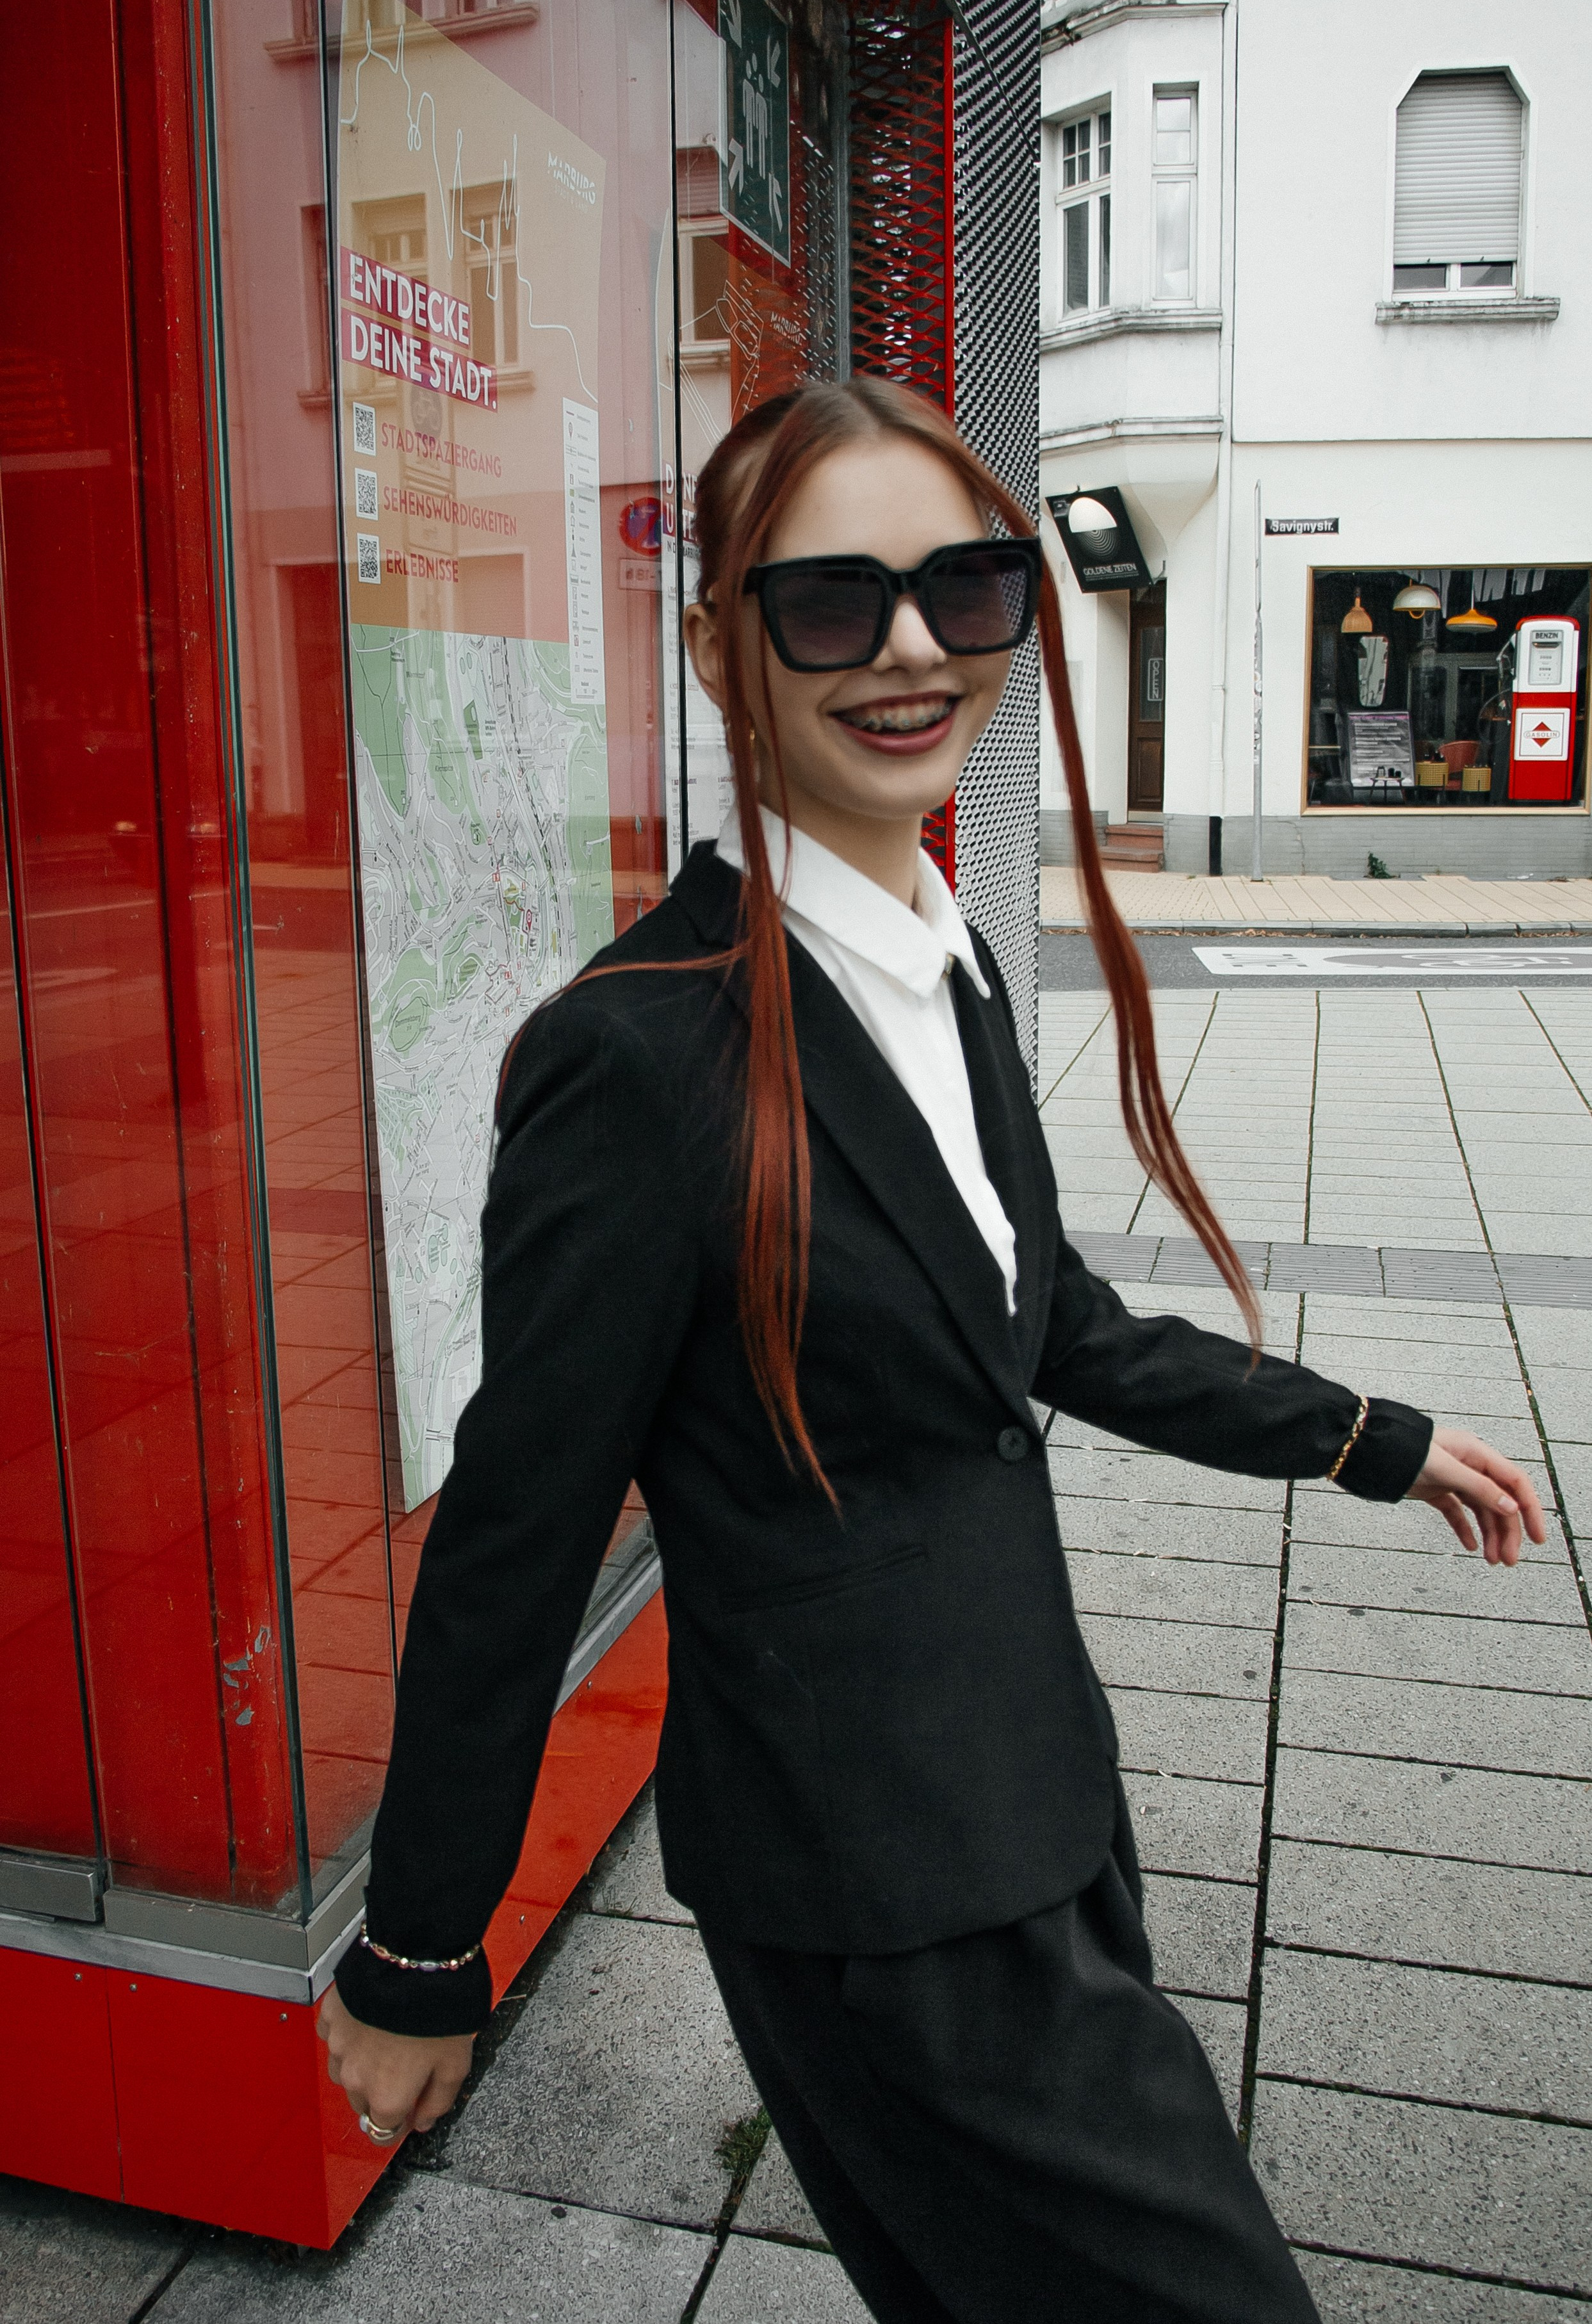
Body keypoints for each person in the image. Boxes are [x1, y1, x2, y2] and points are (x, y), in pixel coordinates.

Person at [319, 378, 1545, 2321]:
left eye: (964, 589)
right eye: (831, 601)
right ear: (720, 643)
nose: (909, 648)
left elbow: (1045, 1320)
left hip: (1039, 1792)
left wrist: (1364, 1437)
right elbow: (519, 1527)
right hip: (869, 1885)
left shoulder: (941, 953)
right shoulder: (639, 1053)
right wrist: (419, 1944)